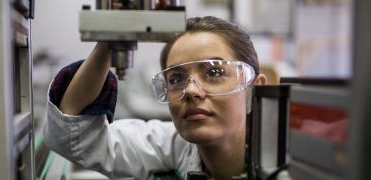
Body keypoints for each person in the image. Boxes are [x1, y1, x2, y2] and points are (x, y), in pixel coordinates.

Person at [43, 16, 267, 180]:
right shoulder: (175, 146)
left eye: (214, 72)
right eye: (176, 78)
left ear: (255, 90)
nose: (190, 91)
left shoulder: (294, 164)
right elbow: (74, 139)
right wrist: (108, 43)